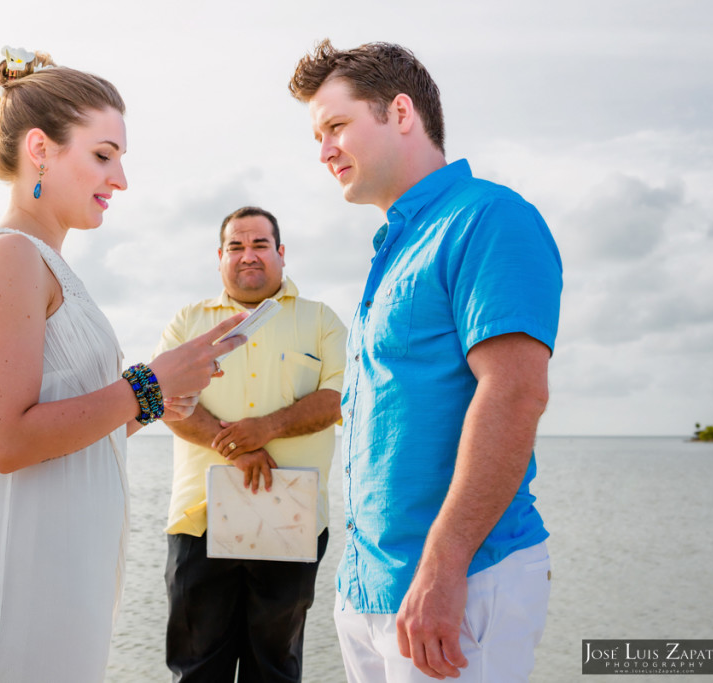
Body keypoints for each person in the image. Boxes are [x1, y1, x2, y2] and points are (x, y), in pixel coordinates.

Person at [0, 46, 247, 683]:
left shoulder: (50, 266)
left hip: (61, 570)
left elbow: (69, 431)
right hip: (21, 578)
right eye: (104, 155)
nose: (121, 179)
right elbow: (10, 439)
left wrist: (157, 402)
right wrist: (147, 383)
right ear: (41, 150)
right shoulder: (9, 259)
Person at [288, 41, 563, 682]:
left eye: (336, 126)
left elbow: (515, 393)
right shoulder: (394, 245)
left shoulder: (490, 218)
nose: (324, 150)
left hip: (462, 583)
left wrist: (443, 567)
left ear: (401, 112)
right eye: (317, 135)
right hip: (369, 592)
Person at [155, 206, 347, 682]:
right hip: (199, 520)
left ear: (281, 254)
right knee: (198, 670)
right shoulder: (188, 321)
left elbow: (341, 398)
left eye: (260, 244)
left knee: (275, 670)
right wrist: (236, 446)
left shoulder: (321, 320)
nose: (249, 256)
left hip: (292, 519)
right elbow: (166, 401)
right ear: (219, 257)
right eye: (236, 246)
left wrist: (268, 428)